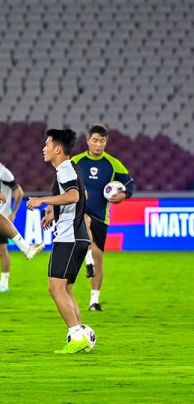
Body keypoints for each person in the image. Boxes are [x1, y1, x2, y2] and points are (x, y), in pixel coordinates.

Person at [27, 128, 92, 354]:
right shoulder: (73, 168)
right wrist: (54, 212)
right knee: (67, 289)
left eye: (46, 144)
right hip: (80, 236)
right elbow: (83, 196)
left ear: (57, 148)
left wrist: (42, 200)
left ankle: (76, 336)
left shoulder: (64, 169)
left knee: (55, 288)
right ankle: (81, 336)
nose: (43, 148)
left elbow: (74, 196)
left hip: (69, 237)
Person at [71, 124, 135, 311]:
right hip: (80, 212)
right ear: (88, 140)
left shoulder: (113, 163)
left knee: (99, 256)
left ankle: (94, 301)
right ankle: (87, 260)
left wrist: (124, 195)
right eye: (95, 140)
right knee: (86, 221)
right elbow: (62, 181)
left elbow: (130, 184)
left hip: (102, 216)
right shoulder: (77, 161)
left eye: (102, 141)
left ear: (106, 142)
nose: (99, 144)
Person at [0, 141, 44, 292]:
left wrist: (13, 212)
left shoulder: (4, 172)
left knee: (2, 250)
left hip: (0, 216)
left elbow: (19, 192)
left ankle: (4, 283)